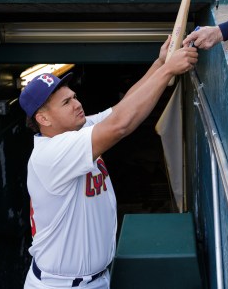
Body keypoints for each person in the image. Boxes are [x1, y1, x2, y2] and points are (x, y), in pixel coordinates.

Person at [20, 39, 198, 289]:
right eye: (66, 103)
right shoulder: (51, 154)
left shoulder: (77, 131)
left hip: (95, 279)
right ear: (43, 118)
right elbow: (120, 125)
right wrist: (169, 71)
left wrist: (160, 63)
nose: (77, 104)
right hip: (60, 285)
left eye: (74, 97)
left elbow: (121, 110)